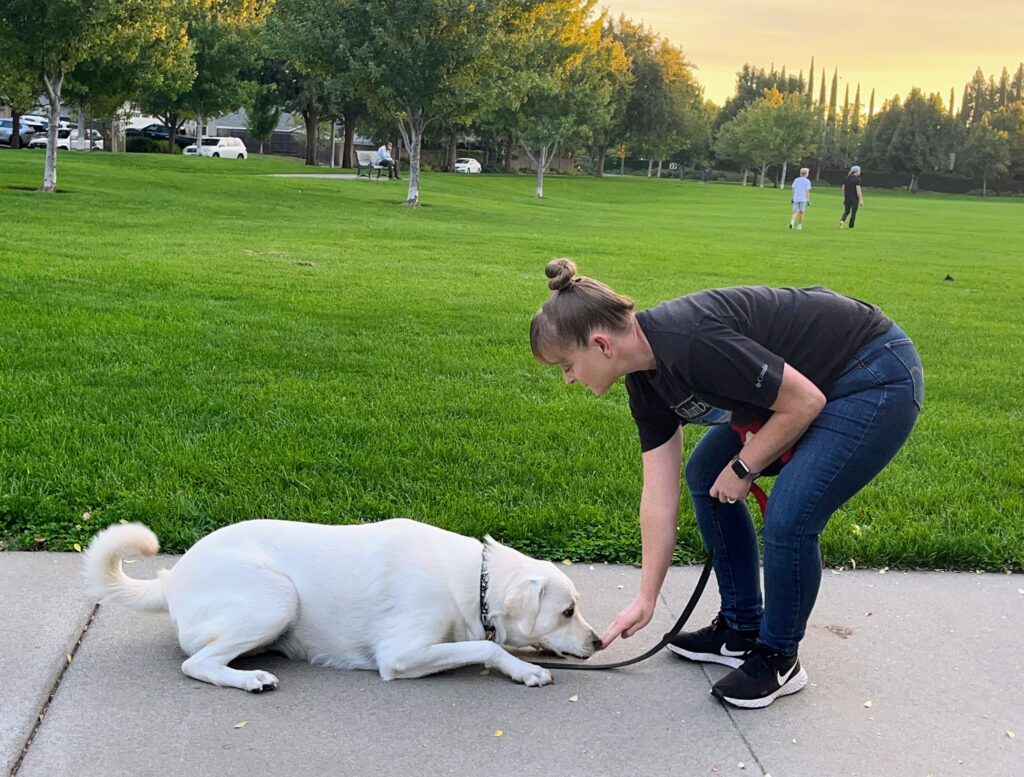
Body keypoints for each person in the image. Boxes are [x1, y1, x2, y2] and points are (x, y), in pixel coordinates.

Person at [530, 258, 924, 709]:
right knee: (703, 472)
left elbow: (804, 401)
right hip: (811, 385)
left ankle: (778, 657)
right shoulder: (645, 382)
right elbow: (659, 497)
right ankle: (741, 629)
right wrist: (646, 598)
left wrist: (744, 468)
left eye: (566, 365)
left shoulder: (691, 342)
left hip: (873, 375)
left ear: (601, 344)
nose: (567, 378)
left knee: (791, 515)